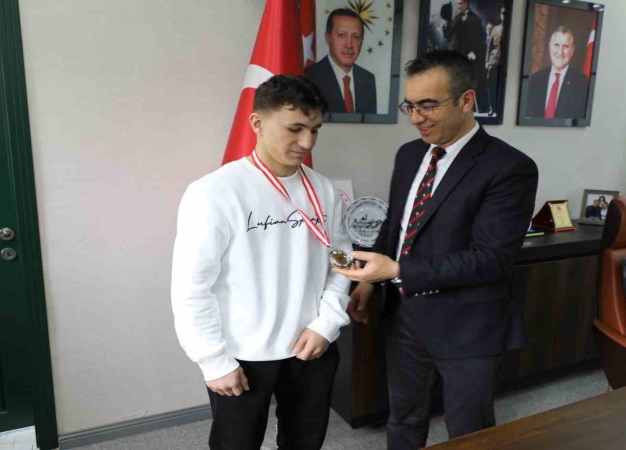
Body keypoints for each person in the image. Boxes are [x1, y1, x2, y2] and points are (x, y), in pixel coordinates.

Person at [334, 50, 538, 449]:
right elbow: (397, 227)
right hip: (404, 316)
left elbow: (491, 259)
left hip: (468, 325)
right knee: (403, 419)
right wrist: (369, 283)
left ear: (466, 100)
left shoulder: (509, 167)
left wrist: (396, 271)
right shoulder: (409, 155)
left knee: (469, 430)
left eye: (428, 105)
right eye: (409, 106)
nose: (416, 118)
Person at [171, 74, 352, 450]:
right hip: (243, 354)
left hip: (312, 345)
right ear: (257, 123)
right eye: (295, 129)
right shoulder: (213, 193)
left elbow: (341, 259)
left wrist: (328, 322)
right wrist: (212, 359)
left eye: (315, 130)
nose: (307, 142)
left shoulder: (323, 189)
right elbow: (191, 286)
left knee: (304, 441)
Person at [305, 8, 377, 114]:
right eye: (342, 35)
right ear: (328, 38)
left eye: (356, 37)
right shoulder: (309, 78)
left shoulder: (367, 79)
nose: (349, 45)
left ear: (361, 41)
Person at [526, 25, 589, 119]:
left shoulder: (583, 83)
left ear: (572, 50)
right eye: (556, 45)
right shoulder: (535, 79)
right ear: (550, 47)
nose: (560, 52)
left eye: (565, 46)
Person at [446, 0, 490, 114]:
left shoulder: (475, 19)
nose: (458, 6)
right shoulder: (456, 19)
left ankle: (482, 107)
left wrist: (474, 52)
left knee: (475, 80)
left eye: (460, 3)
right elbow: (450, 36)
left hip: (472, 55)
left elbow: (480, 38)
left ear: (466, 4)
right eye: (457, 4)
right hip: (458, 55)